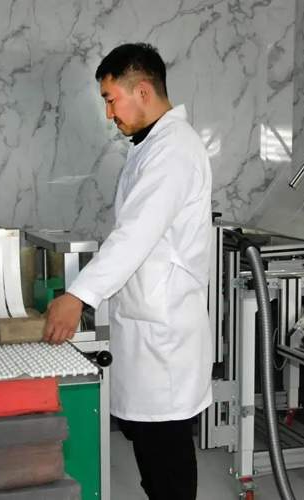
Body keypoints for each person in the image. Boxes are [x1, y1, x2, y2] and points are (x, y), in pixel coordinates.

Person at [43, 43, 213, 500]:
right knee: (152, 457)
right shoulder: (151, 146)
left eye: (110, 98)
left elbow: (135, 235)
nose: (108, 113)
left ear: (142, 90)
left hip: (164, 335)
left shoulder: (174, 150)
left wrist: (78, 296)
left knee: (167, 460)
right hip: (145, 326)